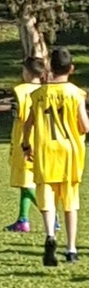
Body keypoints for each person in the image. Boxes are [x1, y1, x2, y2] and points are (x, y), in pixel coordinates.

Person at [22, 46, 89, 266]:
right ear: (71, 68)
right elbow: (85, 126)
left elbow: (28, 123)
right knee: (70, 201)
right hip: (69, 152)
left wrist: (25, 145)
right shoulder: (76, 93)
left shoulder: (38, 94)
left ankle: (50, 234)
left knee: (47, 198)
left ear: (50, 67)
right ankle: (71, 249)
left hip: (45, 150)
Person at [5, 56, 46, 232]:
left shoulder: (20, 90)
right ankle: (23, 220)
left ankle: (51, 216)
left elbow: (18, 115)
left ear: (27, 72)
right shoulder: (47, 90)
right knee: (27, 181)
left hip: (25, 140)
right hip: (43, 140)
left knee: (25, 182)